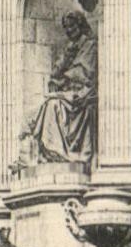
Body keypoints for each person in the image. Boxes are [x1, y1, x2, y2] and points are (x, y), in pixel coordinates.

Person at [23, 10, 97, 162]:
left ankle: (55, 149)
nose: (68, 31)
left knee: (52, 104)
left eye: (72, 26)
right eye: (66, 27)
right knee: (48, 103)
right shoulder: (70, 47)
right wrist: (66, 58)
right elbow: (55, 72)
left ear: (80, 25)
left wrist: (63, 79)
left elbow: (84, 73)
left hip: (83, 92)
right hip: (68, 92)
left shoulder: (90, 45)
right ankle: (50, 149)